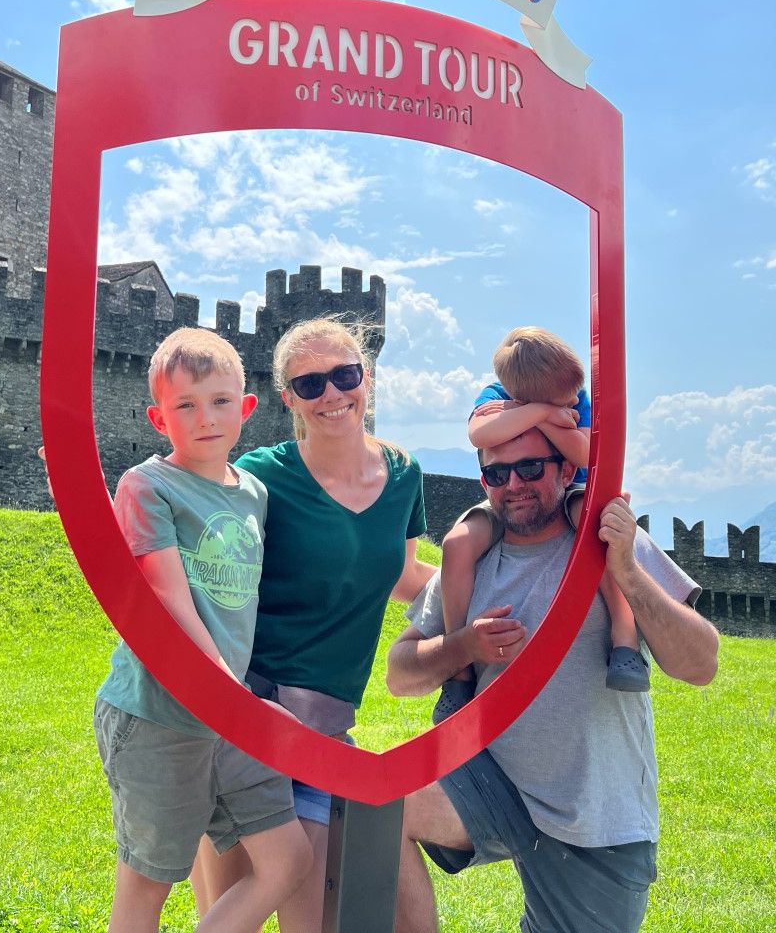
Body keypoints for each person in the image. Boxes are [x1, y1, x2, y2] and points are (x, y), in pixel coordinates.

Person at [387, 427, 720, 933]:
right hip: (496, 787)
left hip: (595, 816)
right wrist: (466, 646)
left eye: (529, 468)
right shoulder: (475, 561)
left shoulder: (607, 536)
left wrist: (627, 571)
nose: (513, 484)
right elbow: (399, 673)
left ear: (566, 470)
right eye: (496, 474)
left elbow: (701, 664)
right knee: (381, 809)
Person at [193, 316, 436, 930]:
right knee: (238, 906)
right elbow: (186, 527)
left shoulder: (405, 476)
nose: (331, 394)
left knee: (314, 917)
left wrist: (490, 599)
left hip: (325, 732)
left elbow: (403, 573)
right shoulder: (262, 476)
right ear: (288, 399)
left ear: (368, 379)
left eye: (345, 375)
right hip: (246, 717)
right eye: (310, 384)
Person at [92, 327, 310, 932]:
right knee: (147, 886)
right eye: (184, 405)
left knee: (286, 859)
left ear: (245, 409)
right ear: (158, 419)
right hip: (159, 714)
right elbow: (166, 595)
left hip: (229, 715)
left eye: (218, 402)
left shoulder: (255, 493)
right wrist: (227, 694)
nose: (204, 418)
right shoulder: (148, 485)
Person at [437, 327, 646, 725]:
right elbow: (480, 435)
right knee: (456, 544)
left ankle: (624, 638)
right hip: (505, 492)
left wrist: (535, 417)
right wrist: (546, 414)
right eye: (564, 397)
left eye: (573, 395)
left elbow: (586, 452)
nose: (573, 401)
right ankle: (458, 673)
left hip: (569, 485)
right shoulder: (495, 396)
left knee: (597, 531)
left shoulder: (575, 395)